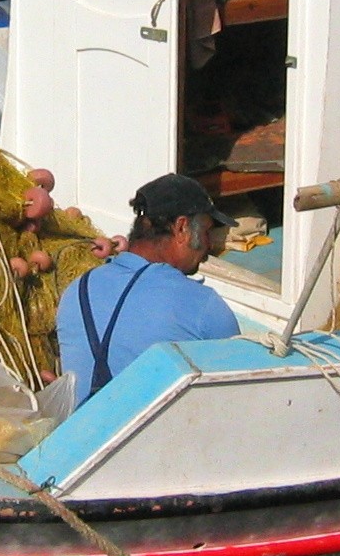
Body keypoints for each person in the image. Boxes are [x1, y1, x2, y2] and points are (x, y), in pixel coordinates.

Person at [57, 173, 240, 406]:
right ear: (181, 228)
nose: (210, 245)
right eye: (206, 231)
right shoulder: (203, 305)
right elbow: (240, 397)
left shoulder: (76, 290)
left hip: (82, 428)